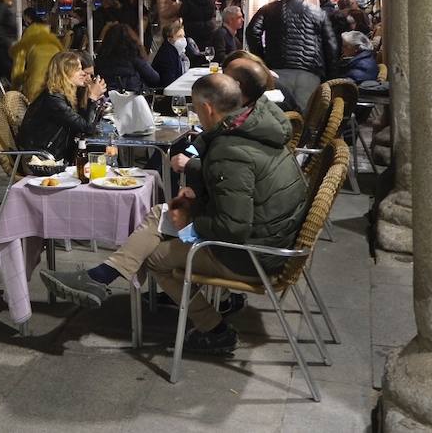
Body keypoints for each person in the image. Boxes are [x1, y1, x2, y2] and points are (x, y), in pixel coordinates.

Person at [41, 74, 307, 356]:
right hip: (273, 240)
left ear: (207, 109)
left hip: (251, 255)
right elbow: (243, 192)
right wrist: (198, 200)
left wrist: (191, 223)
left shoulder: (231, 151)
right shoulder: (258, 127)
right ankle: (100, 277)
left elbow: (233, 227)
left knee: (156, 257)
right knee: (160, 213)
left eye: (194, 107)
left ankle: (214, 330)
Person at [245, 0, 339, 110]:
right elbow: (331, 45)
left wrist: (261, 59)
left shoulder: (269, 9)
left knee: (279, 111)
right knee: (306, 115)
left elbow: (252, 31)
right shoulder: (318, 12)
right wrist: (331, 75)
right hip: (309, 70)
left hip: (278, 68)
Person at [16, 51, 106, 161]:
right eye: (78, 69)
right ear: (64, 73)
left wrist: (91, 99)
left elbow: (81, 123)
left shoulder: (63, 94)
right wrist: (92, 98)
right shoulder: (54, 99)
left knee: (101, 150)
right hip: (40, 158)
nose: (83, 73)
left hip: (52, 152)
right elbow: (87, 128)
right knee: (98, 154)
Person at [95, 24, 161, 93]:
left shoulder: (101, 59)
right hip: (132, 95)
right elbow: (154, 78)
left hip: (109, 96)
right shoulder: (133, 57)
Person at [152, 21, 194, 90]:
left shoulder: (177, 52)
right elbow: (170, 81)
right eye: (179, 36)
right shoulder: (167, 55)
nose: (183, 39)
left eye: (183, 36)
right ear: (169, 39)